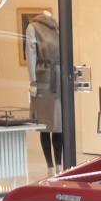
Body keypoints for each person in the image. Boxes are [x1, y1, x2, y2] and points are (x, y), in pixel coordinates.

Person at [25, 10, 63, 169]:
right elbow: (31, 55)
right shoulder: (41, 28)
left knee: (53, 124)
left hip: (50, 79)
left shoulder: (53, 28)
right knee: (50, 124)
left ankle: (56, 165)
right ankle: (54, 165)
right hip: (51, 79)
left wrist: (33, 80)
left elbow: (31, 55)